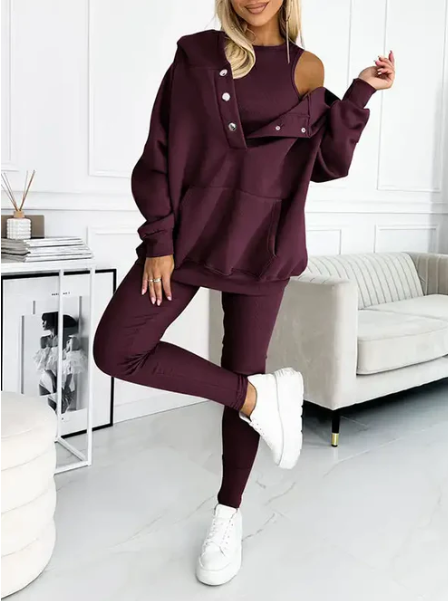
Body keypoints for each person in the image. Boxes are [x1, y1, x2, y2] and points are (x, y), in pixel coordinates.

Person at [93, 0, 395, 586]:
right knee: (118, 348)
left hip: (264, 247)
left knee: (244, 363)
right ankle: (258, 398)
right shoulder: (196, 54)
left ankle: (228, 515)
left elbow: (325, 163)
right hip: (186, 242)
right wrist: (159, 239)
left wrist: (360, 92)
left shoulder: (307, 67)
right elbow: (159, 147)